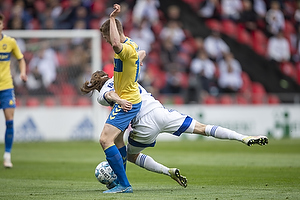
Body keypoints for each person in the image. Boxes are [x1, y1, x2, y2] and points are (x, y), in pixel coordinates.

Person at [81, 70, 269, 189]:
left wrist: (119, 100)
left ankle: (166, 171)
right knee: (203, 128)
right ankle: (243, 137)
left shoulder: (103, 92)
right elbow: (140, 54)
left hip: (144, 125)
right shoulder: (124, 78)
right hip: (161, 112)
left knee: (131, 155)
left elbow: (109, 94)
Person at [95, 4, 142, 193]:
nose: (106, 41)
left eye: (105, 37)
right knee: (119, 141)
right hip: (128, 99)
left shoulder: (126, 49)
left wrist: (112, 18)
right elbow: (138, 54)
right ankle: (120, 181)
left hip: (127, 102)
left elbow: (116, 43)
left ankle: (124, 185)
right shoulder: (133, 46)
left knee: (105, 140)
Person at [0, 13, 27, 168]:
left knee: (9, 122)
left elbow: (20, 58)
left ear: (3, 25)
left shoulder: (10, 42)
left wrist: (23, 72)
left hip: (6, 87)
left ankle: (7, 156)